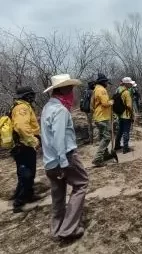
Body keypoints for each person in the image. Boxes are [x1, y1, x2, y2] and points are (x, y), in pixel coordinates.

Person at [41, 74, 88, 241]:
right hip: (65, 157)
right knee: (81, 184)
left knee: (58, 195)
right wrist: (63, 163)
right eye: (71, 90)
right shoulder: (61, 111)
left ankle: (56, 229)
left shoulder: (47, 108)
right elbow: (59, 138)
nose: (73, 94)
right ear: (66, 90)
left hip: (49, 161)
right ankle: (68, 229)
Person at [10, 86, 41, 213]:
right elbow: (21, 127)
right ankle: (19, 201)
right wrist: (33, 141)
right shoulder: (22, 108)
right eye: (30, 95)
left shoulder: (21, 107)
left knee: (26, 172)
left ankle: (28, 195)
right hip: (24, 146)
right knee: (26, 174)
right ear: (26, 96)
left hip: (23, 145)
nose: (33, 97)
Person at [91, 73, 114, 167]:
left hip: (98, 116)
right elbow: (105, 103)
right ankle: (97, 158)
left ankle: (105, 154)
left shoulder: (95, 89)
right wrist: (111, 102)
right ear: (103, 82)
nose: (107, 84)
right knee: (107, 137)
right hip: (102, 117)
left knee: (102, 136)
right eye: (106, 82)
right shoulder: (102, 90)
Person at [114, 77, 134, 153]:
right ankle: (125, 148)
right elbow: (129, 105)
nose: (130, 84)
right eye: (129, 83)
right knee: (126, 131)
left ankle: (117, 145)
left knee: (120, 130)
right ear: (126, 83)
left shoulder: (118, 90)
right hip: (126, 115)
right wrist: (132, 115)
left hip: (120, 114)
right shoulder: (126, 92)